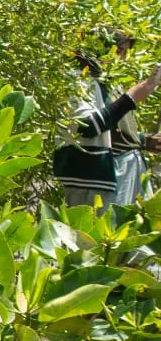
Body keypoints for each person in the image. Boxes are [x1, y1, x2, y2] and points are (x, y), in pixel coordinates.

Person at [55, 31, 161, 210]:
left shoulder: (107, 82)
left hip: (120, 175)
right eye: (119, 51)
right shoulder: (77, 79)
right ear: (98, 47)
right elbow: (86, 126)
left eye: (124, 53)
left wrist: (144, 141)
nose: (122, 59)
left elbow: (108, 131)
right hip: (93, 181)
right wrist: (132, 97)